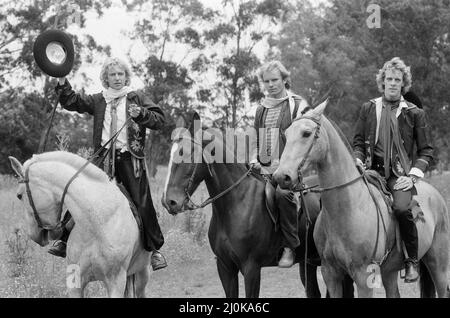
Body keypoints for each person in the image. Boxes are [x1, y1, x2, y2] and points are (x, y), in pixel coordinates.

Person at [50, 57, 167, 271]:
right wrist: (61, 80)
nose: (117, 78)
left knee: (141, 202)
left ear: (126, 76)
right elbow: (72, 101)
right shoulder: (99, 99)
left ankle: (154, 250)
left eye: (120, 74)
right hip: (103, 158)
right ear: (106, 78)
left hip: (130, 158)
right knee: (82, 195)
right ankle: (64, 239)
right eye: (112, 74)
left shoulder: (137, 98)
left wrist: (142, 114)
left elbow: (160, 119)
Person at [352, 57, 433, 282]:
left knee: (400, 208)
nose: (393, 83)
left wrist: (413, 177)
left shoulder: (415, 113)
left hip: (399, 176)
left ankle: (411, 261)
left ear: (403, 84)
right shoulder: (368, 108)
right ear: (382, 82)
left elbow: (426, 151)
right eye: (389, 79)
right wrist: (357, 159)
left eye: (398, 79)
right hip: (370, 172)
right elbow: (358, 142)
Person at [250, 60, 309, 268]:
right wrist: (255, 158)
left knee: (282, 195)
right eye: (266, 81)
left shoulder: (297, 105)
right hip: (265, 170)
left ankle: (289, 246)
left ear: (284, 79)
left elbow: (306, 139)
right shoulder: (262, 109)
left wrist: (290, 166)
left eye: (275, 80)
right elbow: (258, 141)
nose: (271, 85)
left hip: (290, 171)